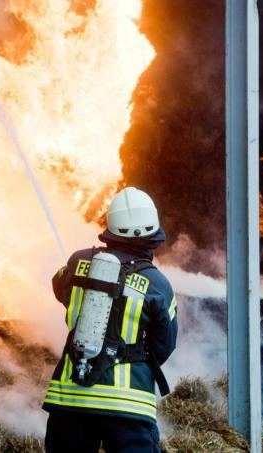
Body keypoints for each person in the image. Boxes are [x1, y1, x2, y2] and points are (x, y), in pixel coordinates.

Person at [42, 187, 178, 453]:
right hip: (128, 405)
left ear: (111, 228)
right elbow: (164, 345)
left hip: (72, 399)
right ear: (153, 235)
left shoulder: (78, 261)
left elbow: (59, 287)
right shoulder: (158, 284)